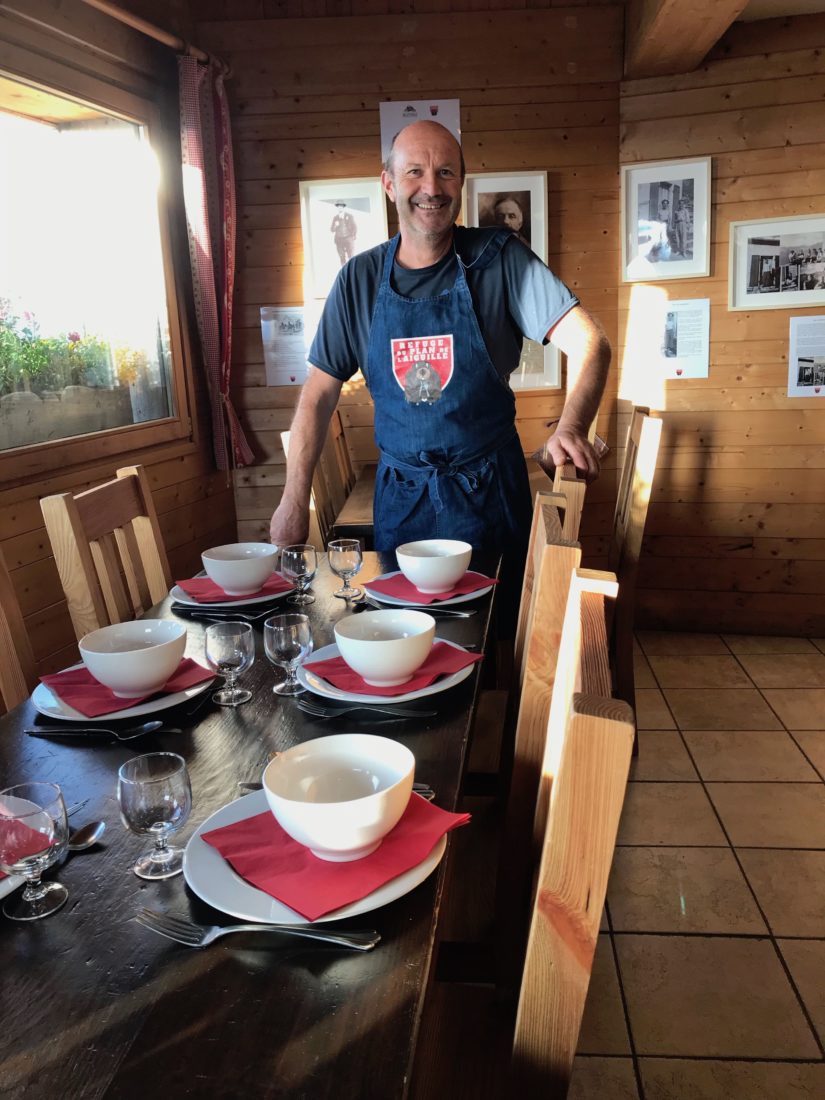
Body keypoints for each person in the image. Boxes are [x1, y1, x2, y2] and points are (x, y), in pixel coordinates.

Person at [270, 121, 610, 600]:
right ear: (388, 184)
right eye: (414, 172)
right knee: (407, 644)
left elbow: (591, 343)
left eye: (445, 172)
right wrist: (292, 503)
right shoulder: (358, 280)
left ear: (461, 183)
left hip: (491, 499)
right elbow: (320, 392)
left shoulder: (500, 260)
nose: (431, 188)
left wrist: (571, 427)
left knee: (492, 643)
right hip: (401, 506)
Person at [330, 200, 357, 266]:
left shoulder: (349, 216)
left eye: (341, 206)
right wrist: (335, 225)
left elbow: (355, 227)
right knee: (342, 257)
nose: (340, 208)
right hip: (339, 240)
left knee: (351, 257)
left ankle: (352, 270)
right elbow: (332, 229)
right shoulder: (335, 218)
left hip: (348, 239)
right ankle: (344, 271)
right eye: (338, 207)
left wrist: (352, 237)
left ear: (344, 207)